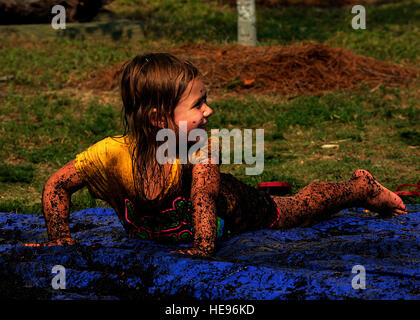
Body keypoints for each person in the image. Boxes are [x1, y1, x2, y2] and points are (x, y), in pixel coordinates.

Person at [26, 53, 407, 257]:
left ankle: (361, 188)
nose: (208, 111)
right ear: (160, 117)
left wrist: (203, 247)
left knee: (301, 207)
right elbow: (57, 184)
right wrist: (61, 237)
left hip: (246, 211)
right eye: (198, 104)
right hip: (174, 225)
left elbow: (204, 198)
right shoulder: (109, 155)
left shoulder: (199, 149)